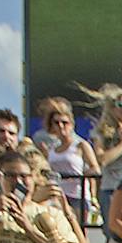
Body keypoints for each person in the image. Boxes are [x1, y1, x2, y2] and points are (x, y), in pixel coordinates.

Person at [32, 97, 101, 231]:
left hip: (78, 196)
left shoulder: (81, 145)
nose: (61, 126)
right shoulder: (51, 150)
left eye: (65, 122)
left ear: (72, 124)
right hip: (57, 196)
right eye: (56, 123)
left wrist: (76, 176)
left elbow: (95, 169)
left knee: (78, 231)